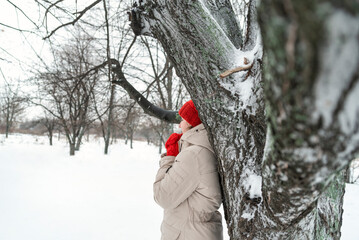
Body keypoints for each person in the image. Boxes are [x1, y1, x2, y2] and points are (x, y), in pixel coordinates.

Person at [154, 100, 223, 240]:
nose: (179, 125)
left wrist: (170, 157)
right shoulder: (204, 148)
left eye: (183, 120)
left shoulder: (193, 155)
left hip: (187, 233)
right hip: (195, 231)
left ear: (192, 123)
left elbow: (162, 196)